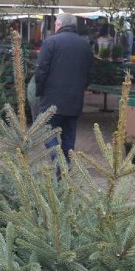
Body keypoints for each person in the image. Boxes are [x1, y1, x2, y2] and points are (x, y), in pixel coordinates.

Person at [35, 12, 94, 163]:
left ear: (60, 25)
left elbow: (41, 70)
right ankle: (65, 170)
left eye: (55, 24)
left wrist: (39, 92)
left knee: (47, 131)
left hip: (51, 99)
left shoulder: (51, 42)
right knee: (69, 138)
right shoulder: (85, 45)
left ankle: (58, 162)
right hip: (75, 100)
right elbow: (90, 73)